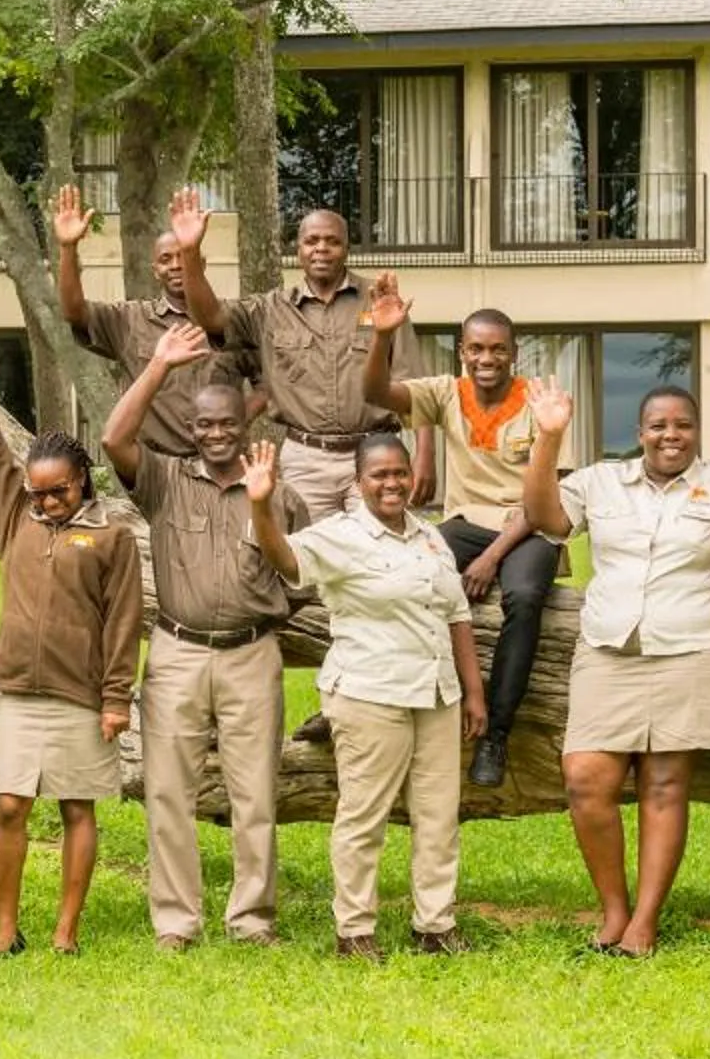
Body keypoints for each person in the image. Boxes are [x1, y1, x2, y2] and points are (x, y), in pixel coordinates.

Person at [518, 380, 710, 957]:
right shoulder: (600, 480)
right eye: (658, 425)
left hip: (693, 648)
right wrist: (549, 436)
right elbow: (545, 518)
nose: (671, 434)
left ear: (697, 431)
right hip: (610, 648)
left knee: (665, 784)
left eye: (682, 425)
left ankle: (644, 921)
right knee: (586, 780)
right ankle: (613, 910)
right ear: (639, 433)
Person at [100, 324, 303, 950]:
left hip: (251, 651)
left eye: (228, 426)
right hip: (178, 650)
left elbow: (297, 574)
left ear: (247, 428)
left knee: (255, 793)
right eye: (205, 426)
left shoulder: (278, 492)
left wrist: (263, 505)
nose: (216, 435)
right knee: (168, 790)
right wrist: (158, 365)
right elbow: (113, 438)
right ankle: (176, 921)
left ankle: (251, 920)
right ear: (192, 429)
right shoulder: (165, 480)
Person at [0, 339, 145, 957]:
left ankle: (66, 932)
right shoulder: (18, 519)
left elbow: (123, 622)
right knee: (9, 807)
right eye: (38, 493)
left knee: (77, 809)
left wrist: (116, 699)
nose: (46, 502)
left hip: (82, 696)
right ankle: (5, 931)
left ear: (81, 481)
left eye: (57, 492)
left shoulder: (111, 537)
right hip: (21, 694)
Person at [250, 436, 487, 958]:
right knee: (364, 815)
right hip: (370, 693)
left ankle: (435, 924)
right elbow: (286, 559)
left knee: (438, 816)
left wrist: (474, 693)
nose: (392, 483)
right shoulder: (340, 536)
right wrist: (261, 502)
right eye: (379, 475)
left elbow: (457, 615)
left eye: (399, 473)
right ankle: (354, 930)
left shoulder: (429, 537)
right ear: (359, 483)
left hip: (437, 694)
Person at [361, 283, 556, 788]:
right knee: (412, 574)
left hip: (527, 526)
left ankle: (496, 731)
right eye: (476, 348)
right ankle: (406, 703)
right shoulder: (445, 392)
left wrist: (491, 559)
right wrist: (383, 336)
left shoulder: (541, 403)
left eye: (497, 349)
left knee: (526, 596)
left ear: (514, 354)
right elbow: (375, 394)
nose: (485, 358)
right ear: (462, 351)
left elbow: (540, 505)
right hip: (465, 523)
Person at [178, 202, 423, 521]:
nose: (321, 248)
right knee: (309, 557)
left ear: (346, 249)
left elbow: (414, 387)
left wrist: (425, 456)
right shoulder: (270, 310)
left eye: (332, 241)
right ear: (298, 249)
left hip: (373, 452)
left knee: (379, 555)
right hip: (306, 459)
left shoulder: (380, 301)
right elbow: (210, 317)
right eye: (312, 241)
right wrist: (189, 251)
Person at [54, 181, 242, 459]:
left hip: (222, 465)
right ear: (156, 271)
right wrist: (68, 248)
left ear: (201, 263)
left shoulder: (232, 319)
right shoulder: (130, 319)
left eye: (183, 256)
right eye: (166, 260)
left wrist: (238, 421)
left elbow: (267, 385)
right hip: (156, 465)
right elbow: (73, 312)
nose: (176, 265)